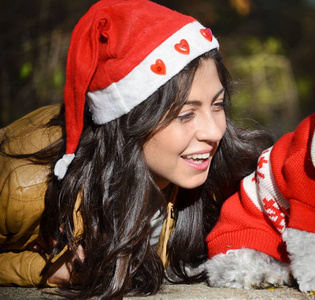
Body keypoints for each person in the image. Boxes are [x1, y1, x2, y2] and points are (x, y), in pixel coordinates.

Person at [0, 0, 272, 298]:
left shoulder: (226, 179)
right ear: (131, 122)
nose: (214, 132)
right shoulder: (24, 185)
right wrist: (47, 268)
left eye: (217, 105)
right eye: (185, 114)